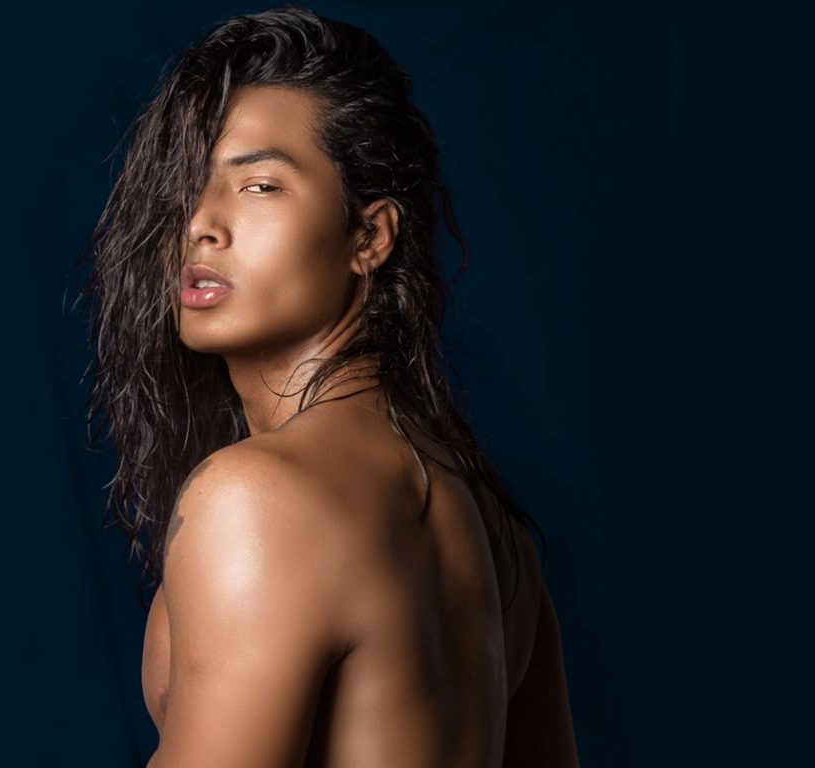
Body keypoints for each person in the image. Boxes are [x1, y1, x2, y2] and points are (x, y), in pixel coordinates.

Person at [80, 5, 579, 766]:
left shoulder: (257, 499)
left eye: (259, 185)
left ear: (369, 236)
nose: (199, 224)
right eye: (188, 185)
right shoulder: (493, 529)